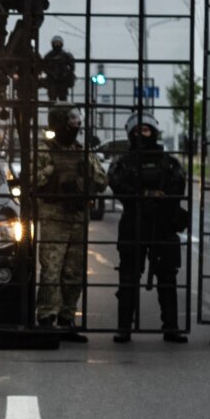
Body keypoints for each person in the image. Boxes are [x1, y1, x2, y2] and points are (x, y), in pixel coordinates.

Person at [107, 114, 188, 344]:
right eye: (138, 131)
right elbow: (115, 183)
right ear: (131, 134)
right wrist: (141, 196)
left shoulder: (168, 162)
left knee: (167, 279)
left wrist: (161, 199)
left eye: (146, 130)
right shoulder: (124, 161)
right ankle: (124, 327)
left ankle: (171, 327)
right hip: (134, 223)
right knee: (128, 279)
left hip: (162, 224)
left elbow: (178, 186)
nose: (142, 135)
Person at [29, 104, 104, 341]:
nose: (76, 123)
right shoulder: (44, 151)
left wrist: (85, 177)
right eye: (71, 119)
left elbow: (102, 180)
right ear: (59, 121)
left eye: (77, 118)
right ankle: (46, 318)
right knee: (51, 269)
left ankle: (67, 317)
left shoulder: (82, 151)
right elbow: (32, 180)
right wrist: (54, 173)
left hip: (78, 217)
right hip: (54, 216)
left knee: (74, 271)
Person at [41, 36, 77, 104]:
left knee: (63, 100)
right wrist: (50, 73)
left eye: (58, 43)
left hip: (63, 81)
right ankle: (52, 114)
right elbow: (43, 66)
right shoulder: (49, 55)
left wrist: (66, 73)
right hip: (52, 81)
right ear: (52, 44)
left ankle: (63, 114)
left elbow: (72, 66)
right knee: (52, 101)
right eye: (55, 43)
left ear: (61, 44)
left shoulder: (66, 55)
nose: (57, 45)